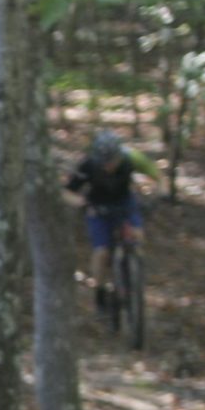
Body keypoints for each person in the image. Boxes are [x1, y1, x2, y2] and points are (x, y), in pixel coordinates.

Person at [63, 130, 154, 311]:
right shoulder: (88, 165)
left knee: (137, 236)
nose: (109, 166)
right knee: (102, 252)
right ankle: (99, 289)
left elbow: (155, 174)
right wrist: (83, 203)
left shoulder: (130, 159)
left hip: (125, 203)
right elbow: (66, 191)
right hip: (98, 207)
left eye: (113, 160)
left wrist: (157, 193)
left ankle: (134, 276)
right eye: (105, 162)